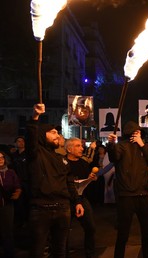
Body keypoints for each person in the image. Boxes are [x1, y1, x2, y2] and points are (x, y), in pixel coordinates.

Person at [27, 103, 84, 258]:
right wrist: (35, 117)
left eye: (57, 133)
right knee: (38, 251)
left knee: (60, 251)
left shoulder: (61, 159)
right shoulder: (36, 154)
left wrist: (77, 201)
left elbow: (69, 182)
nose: (57, 135)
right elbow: (31, 138)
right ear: (42, 135)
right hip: (41, 209)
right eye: (53, 132)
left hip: (63, 209)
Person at [107, 121, 148, 258]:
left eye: (140, 132)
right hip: (126, 197)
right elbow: (113, 157)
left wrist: (142, 145)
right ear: (132, 133)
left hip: (142, 195)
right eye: (138, 132)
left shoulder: (143, 147)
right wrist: (111, 144)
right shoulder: (121, 146)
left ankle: (147, 255)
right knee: (123, 233)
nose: (140, 134)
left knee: (147, 232)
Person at [65, 138, 98, 258]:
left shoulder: (84, 163)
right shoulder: (62, 163)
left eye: (81, 146)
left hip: (82, 198)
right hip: (66, 201)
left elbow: (88, 179)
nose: (82, 148)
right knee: (63, 231)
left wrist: (91, 178)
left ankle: (90, 254)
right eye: (78, 146)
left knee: (90, 228)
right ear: (69, 149)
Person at [0, 151, 21, 258]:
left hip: (7, 205)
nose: (0, 160)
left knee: (7, 230)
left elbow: (17, 185)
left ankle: (9, 253)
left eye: (2, 157)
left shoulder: (10, 172)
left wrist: (16, 193)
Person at [11, 136, 29, 228]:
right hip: (17, 181)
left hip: (27, 181)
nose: (20, 143)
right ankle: (20, 220)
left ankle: (27, 221)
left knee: (27, 201)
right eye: (18, 141)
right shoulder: (14, 155)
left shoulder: (28, 154)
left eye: (22, 141)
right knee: (19, 202)